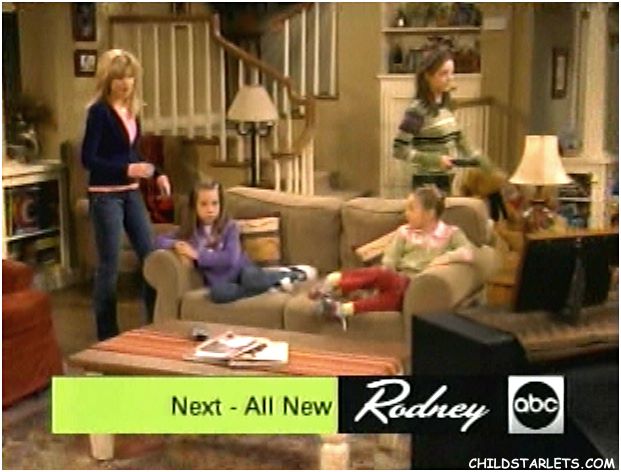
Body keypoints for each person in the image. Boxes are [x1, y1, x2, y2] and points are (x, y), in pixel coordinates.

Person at [81, 49, 171, 340]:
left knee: (151, 257)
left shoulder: (132, 111)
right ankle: (107, 335)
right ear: (108, 80)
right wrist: (126, 169)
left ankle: (155, 325)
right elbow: (88, 159)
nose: (125, 83)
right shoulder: (99, 112)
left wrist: (157, 173)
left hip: (131, 194)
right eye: (119, 78)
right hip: (105, 195)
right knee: (109, 266)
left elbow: (134, 153)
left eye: (130, 77)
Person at [310, 186, 474, 330]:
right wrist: (388, 276)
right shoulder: (404, 232)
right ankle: (336, 293)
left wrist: (444, 259)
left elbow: (468, 253)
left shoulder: (451, 234)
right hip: (395, 279)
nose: (406, 213)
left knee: (395, 297)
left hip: (418, 286)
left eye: (412, 209)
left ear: (430, 213)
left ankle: (339, 298)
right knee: (385, 279)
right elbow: (390, 260)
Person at [392, 45, 507, 221]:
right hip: (426, 184)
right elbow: (399, 150)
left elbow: (459, 138)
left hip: (446, 180)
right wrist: (435, 160)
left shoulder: (446, 106)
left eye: (451, 73)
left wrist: (484, 164)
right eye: (443, 74)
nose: (450, 78)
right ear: (428, 76)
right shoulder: (417, 110)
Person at [155, 179, 315, 303]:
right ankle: (268, 286)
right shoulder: (190, 231)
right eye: (203, 204)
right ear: (194, 207)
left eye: (214, 204)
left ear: (221, 204)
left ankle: (291, 273)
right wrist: (175, 244)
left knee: (251, 279)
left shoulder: (230, 227)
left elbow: (229, 259)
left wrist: (197, 255)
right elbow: (158, 240)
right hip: (222, 281)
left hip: (242, 270)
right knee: (218, 294)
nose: (210, 209)